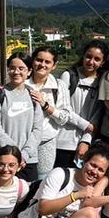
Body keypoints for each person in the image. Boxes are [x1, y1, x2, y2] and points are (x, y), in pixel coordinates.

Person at [29, 46, 94, 181]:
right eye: (39, 60)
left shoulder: (58, 86)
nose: (42, 64)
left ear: (54, 66)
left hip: (46, 142)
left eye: (47, 62)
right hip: (22, 141)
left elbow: (64, 117)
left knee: (42, 182)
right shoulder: (21, 83)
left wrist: (46, 106)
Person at [0, 51, 44, 184]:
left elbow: (38, 129)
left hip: (27, 161)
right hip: (0, 160)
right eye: (12, 68)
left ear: (29, 71)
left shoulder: (33, 96)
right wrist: (14, 156)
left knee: (26, 200)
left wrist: (24, 155)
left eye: (21, 68)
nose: (16, 72)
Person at [55, 39, 108, 169]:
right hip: (62, 142)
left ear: (103, 62)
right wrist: (86, 125)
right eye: (88, 57)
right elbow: (63, 108)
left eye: (97, 59)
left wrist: (86, 139)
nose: (91, 62)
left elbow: (99, 112)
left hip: (88, 143)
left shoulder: (103, 81)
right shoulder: (69, 76)